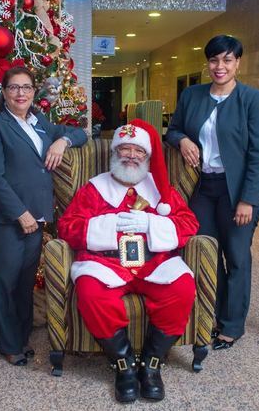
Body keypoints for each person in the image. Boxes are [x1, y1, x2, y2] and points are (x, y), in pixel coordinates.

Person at [58, 119, 198, 403]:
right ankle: (123, 365)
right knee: (90, 291)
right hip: (106, 263)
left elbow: (188, 224)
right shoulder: (94, 189)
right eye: (125, 149)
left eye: (139, 151)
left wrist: (150, 223)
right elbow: (67, 226)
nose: (131, 155)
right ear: (115, 153)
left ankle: (151, 363)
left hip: (153, 262)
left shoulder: (160, 189)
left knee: (182, 287)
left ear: (147, 157)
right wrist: (109, 226)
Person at [165, 35, 259, 350]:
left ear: (237, 63)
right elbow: (173, 129)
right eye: (214, 60)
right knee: (207, 252)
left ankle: (232, 325)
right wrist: (182, 140)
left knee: (236, 255)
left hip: (239, 189)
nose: (220, 66)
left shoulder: (251, 100)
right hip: (205, 187)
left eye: (227, 60)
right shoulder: (192, 95)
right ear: (208, 63)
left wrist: (248, 200)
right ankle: (215, 311)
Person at [0, 66, 87, 366]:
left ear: (33, 92)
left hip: (37, 217)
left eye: (26, 87)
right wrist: (20, 213)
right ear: (4, 93)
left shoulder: (41, 124)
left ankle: (23, 336)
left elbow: (81, 133)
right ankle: (9, 343)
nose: (21, 93)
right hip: (7, 219)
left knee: (26, 283)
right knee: (6, 282)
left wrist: (62, 141)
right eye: (14, 88)